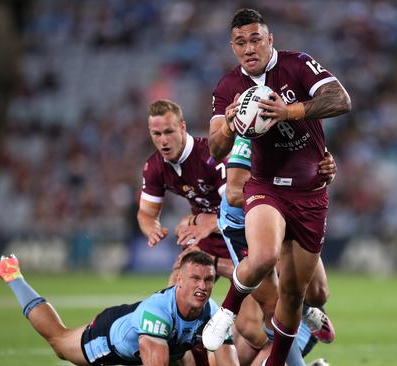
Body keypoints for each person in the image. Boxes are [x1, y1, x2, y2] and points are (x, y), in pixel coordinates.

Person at [203, 8, 351, 366]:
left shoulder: (297, 66)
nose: (249, 48)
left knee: (302, 293)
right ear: (232, 47)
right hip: (266, 189)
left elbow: (341, 101)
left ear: (269, 40)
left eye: (255, 39)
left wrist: (290, 112)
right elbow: (215, 148)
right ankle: (226, 312)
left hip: (310, 193)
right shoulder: (228, 88)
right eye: (241, 43)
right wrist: (232, 126)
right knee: (266, 257)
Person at [0, 251, 239, 366]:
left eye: (208, 280)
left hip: (156, 348)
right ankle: (13, 276)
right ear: (180, 281)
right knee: (59, 341)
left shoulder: (215, 315)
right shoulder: (157, 314)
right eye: (195, 279)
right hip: (109, 339)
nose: (203, 286)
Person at [220, 136, 336, 366]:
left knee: (318, 293)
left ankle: (304, 309)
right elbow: (233, 194)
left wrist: (326, 170)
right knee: (267, 313)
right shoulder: (251, 134)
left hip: (289, 213)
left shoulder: (299, 134)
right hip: (243, 226)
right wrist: (273, 196)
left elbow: (317, 167)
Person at [137, 99, 234, 283]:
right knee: (178, 285)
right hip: (204, 237)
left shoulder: (212, 156)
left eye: (169, 132)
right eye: (156, 134)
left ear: (182, 127)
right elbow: (146, 213)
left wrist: (197, 221)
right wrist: (152, 229)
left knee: (256, 309)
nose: (163, 140)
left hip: (239, 233)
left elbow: (240, 210)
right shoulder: (154, 167)